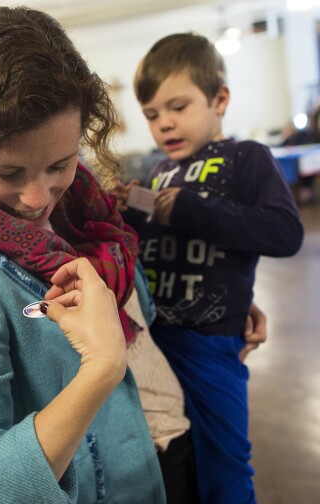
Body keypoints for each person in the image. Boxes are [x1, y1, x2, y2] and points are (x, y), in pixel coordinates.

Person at [0, 7, 166, 502]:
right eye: (6, 173)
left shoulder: (88, 209)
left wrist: (215, 310)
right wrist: (100, 371)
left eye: (59, 165)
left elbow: (142, 316)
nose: (38, 197)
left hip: (162, 452)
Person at [114, 33, 304, 504]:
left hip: (210, 343)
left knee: (224, 463)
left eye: (178, 107)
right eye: (153, 115)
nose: (165, 124)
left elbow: (285, 232)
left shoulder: (247, 159)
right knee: (173, 457)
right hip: (155, 337)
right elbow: (159, 237)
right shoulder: (161, 170)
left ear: (219, 99)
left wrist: (194, 211)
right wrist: (131, 209)